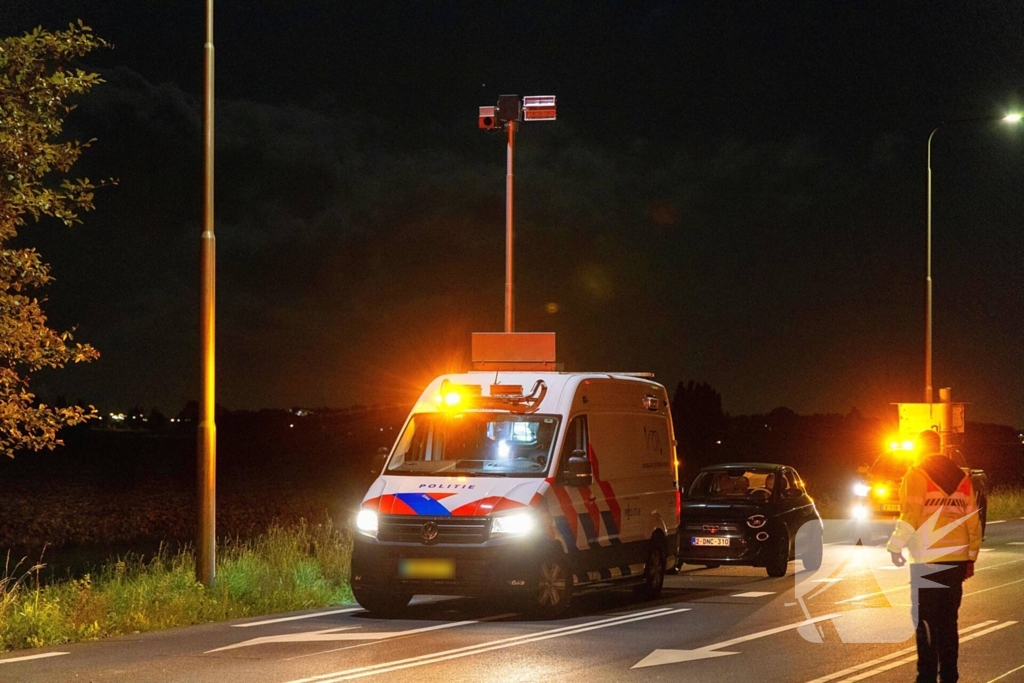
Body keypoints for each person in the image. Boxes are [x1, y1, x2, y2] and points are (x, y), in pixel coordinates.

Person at [887, 429, 982, 683]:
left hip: (927, 559)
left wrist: (895, 545)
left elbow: (910, 515)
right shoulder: (962, 479)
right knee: (948, 622)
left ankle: (926, 677)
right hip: (956, 560)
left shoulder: (916, 475)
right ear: (940, 447)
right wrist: (971, 557)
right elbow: (973, 521)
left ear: (920, 447)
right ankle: (949, 676)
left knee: (926, 621)